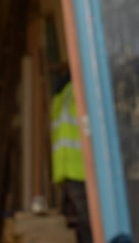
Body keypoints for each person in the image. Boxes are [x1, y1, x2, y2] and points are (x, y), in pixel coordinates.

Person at [50, 80, 92, 243]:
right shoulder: (81, 91)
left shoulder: (61, 96)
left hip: (68, 169)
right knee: (93, 223)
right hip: (82, 169)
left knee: (86, 224)